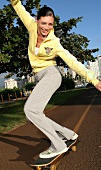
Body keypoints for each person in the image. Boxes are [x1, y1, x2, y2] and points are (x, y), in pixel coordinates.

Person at [10, 0, 101, 158]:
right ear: (37, 20)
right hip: (39, 76)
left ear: (53, 25)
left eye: (50, 24)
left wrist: (94, 80)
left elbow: (73, 62)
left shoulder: (55, 42)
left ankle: (58, 144)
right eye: (43, 23)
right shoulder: (31, 26)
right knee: (35, 113)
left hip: (51, 75)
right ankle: (68, 133)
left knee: (29, 109)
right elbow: (18, 6)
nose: (46, 27)